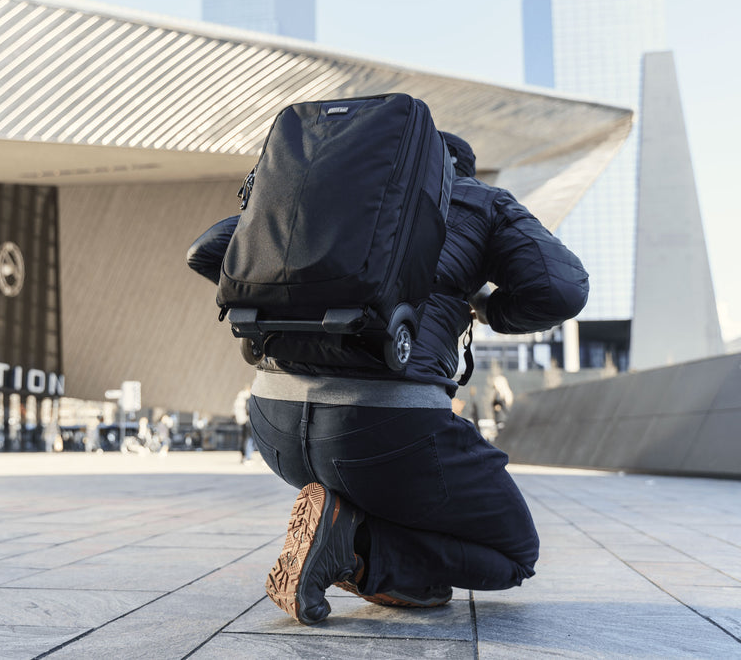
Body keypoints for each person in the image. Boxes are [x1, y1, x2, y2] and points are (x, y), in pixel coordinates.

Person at [186, 131, 588, 625]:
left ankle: (357, 542)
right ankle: (353, 545)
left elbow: (208, 251)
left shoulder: (321, 193)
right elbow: (560, 290)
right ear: (458, 170)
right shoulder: (480, 201)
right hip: (389, 426)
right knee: (514, 555)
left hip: (274, 423)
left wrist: (281, 303)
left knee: (387, 488)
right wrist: (484, 306)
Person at [234, 384, 254, 464]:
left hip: (241, 420)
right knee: (249, 439)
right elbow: (248, 409)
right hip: (247, 420)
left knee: (244, 438)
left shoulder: (240, 397)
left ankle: (243, 456)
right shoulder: (247, 397)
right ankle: (248, 457)